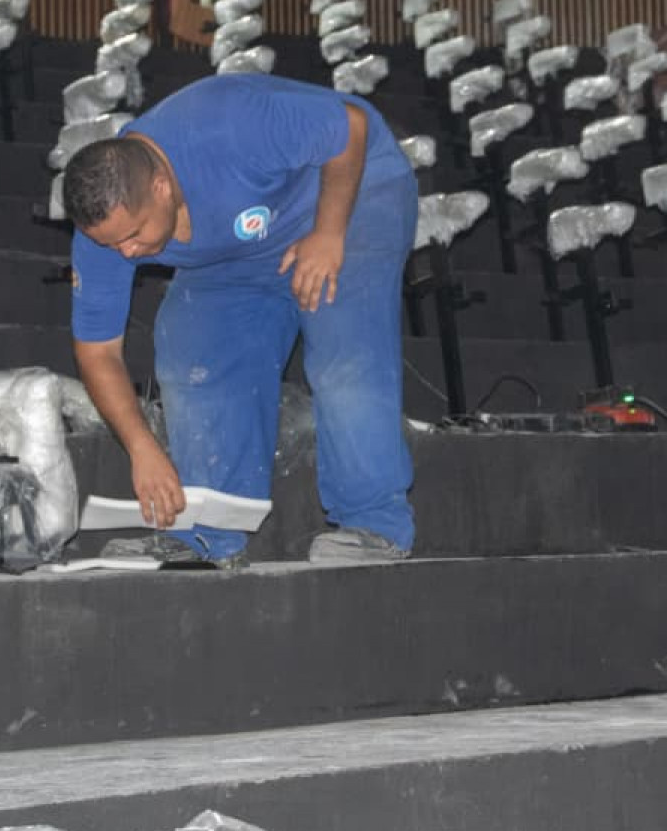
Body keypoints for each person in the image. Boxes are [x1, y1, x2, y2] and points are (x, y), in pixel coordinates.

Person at [64, 72, 418, 566]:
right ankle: (207, 533)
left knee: (344, 351)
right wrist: (142, 447)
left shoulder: (228, 122)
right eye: (112, 244)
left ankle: (374, 523)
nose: (126, 252)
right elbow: (97, 353)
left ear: (162, 187)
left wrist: (328, 234)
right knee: (195, 346)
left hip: (349, 189)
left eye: (136, 235)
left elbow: (350, 126)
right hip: (243, 246)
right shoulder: (104, 235)